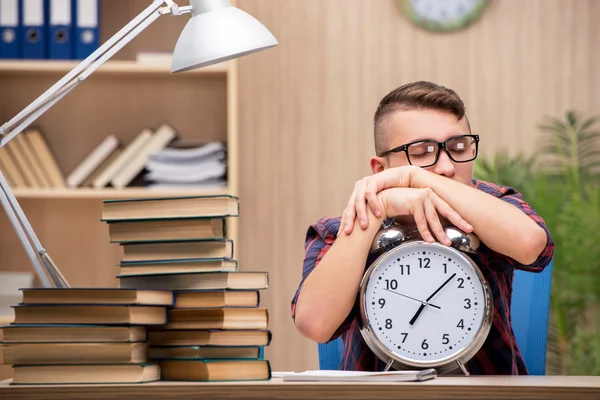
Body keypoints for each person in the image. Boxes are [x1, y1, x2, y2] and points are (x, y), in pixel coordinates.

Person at [290, 81, 555, 375]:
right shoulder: (338, 229)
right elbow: (315, 324)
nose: (446, 167)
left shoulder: (494, 204)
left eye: (458, 147)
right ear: (380, 169)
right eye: (422, 152)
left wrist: (416, 177)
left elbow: (533, 246)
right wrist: (380, 208)